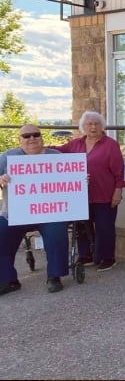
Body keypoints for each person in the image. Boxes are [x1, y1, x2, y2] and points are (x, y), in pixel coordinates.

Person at [0, 125, 70, 294]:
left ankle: (54, 276)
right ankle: (7, 280)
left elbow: (71, 181)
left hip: (50, 212)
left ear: (41, 137)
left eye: (36, 134)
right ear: (19, 140)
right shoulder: (7, 157)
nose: (32, 138)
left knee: (57, 231)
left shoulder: (56, 157)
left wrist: (82, 180)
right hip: (15, 213)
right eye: (26, 136)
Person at [52, 111, 125, 272]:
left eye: (96, 124)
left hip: (105, 193)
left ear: (102, 126)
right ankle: (86, 255)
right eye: (89, 124)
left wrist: (118, 190)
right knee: (82, 227)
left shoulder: (110, 144)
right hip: (80, 195)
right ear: (83, 127)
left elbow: (119, 171)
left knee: (104, 227)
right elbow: (55, 153)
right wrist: (34, 148)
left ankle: (107, 257)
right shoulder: (75, 144)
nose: (93, 127)